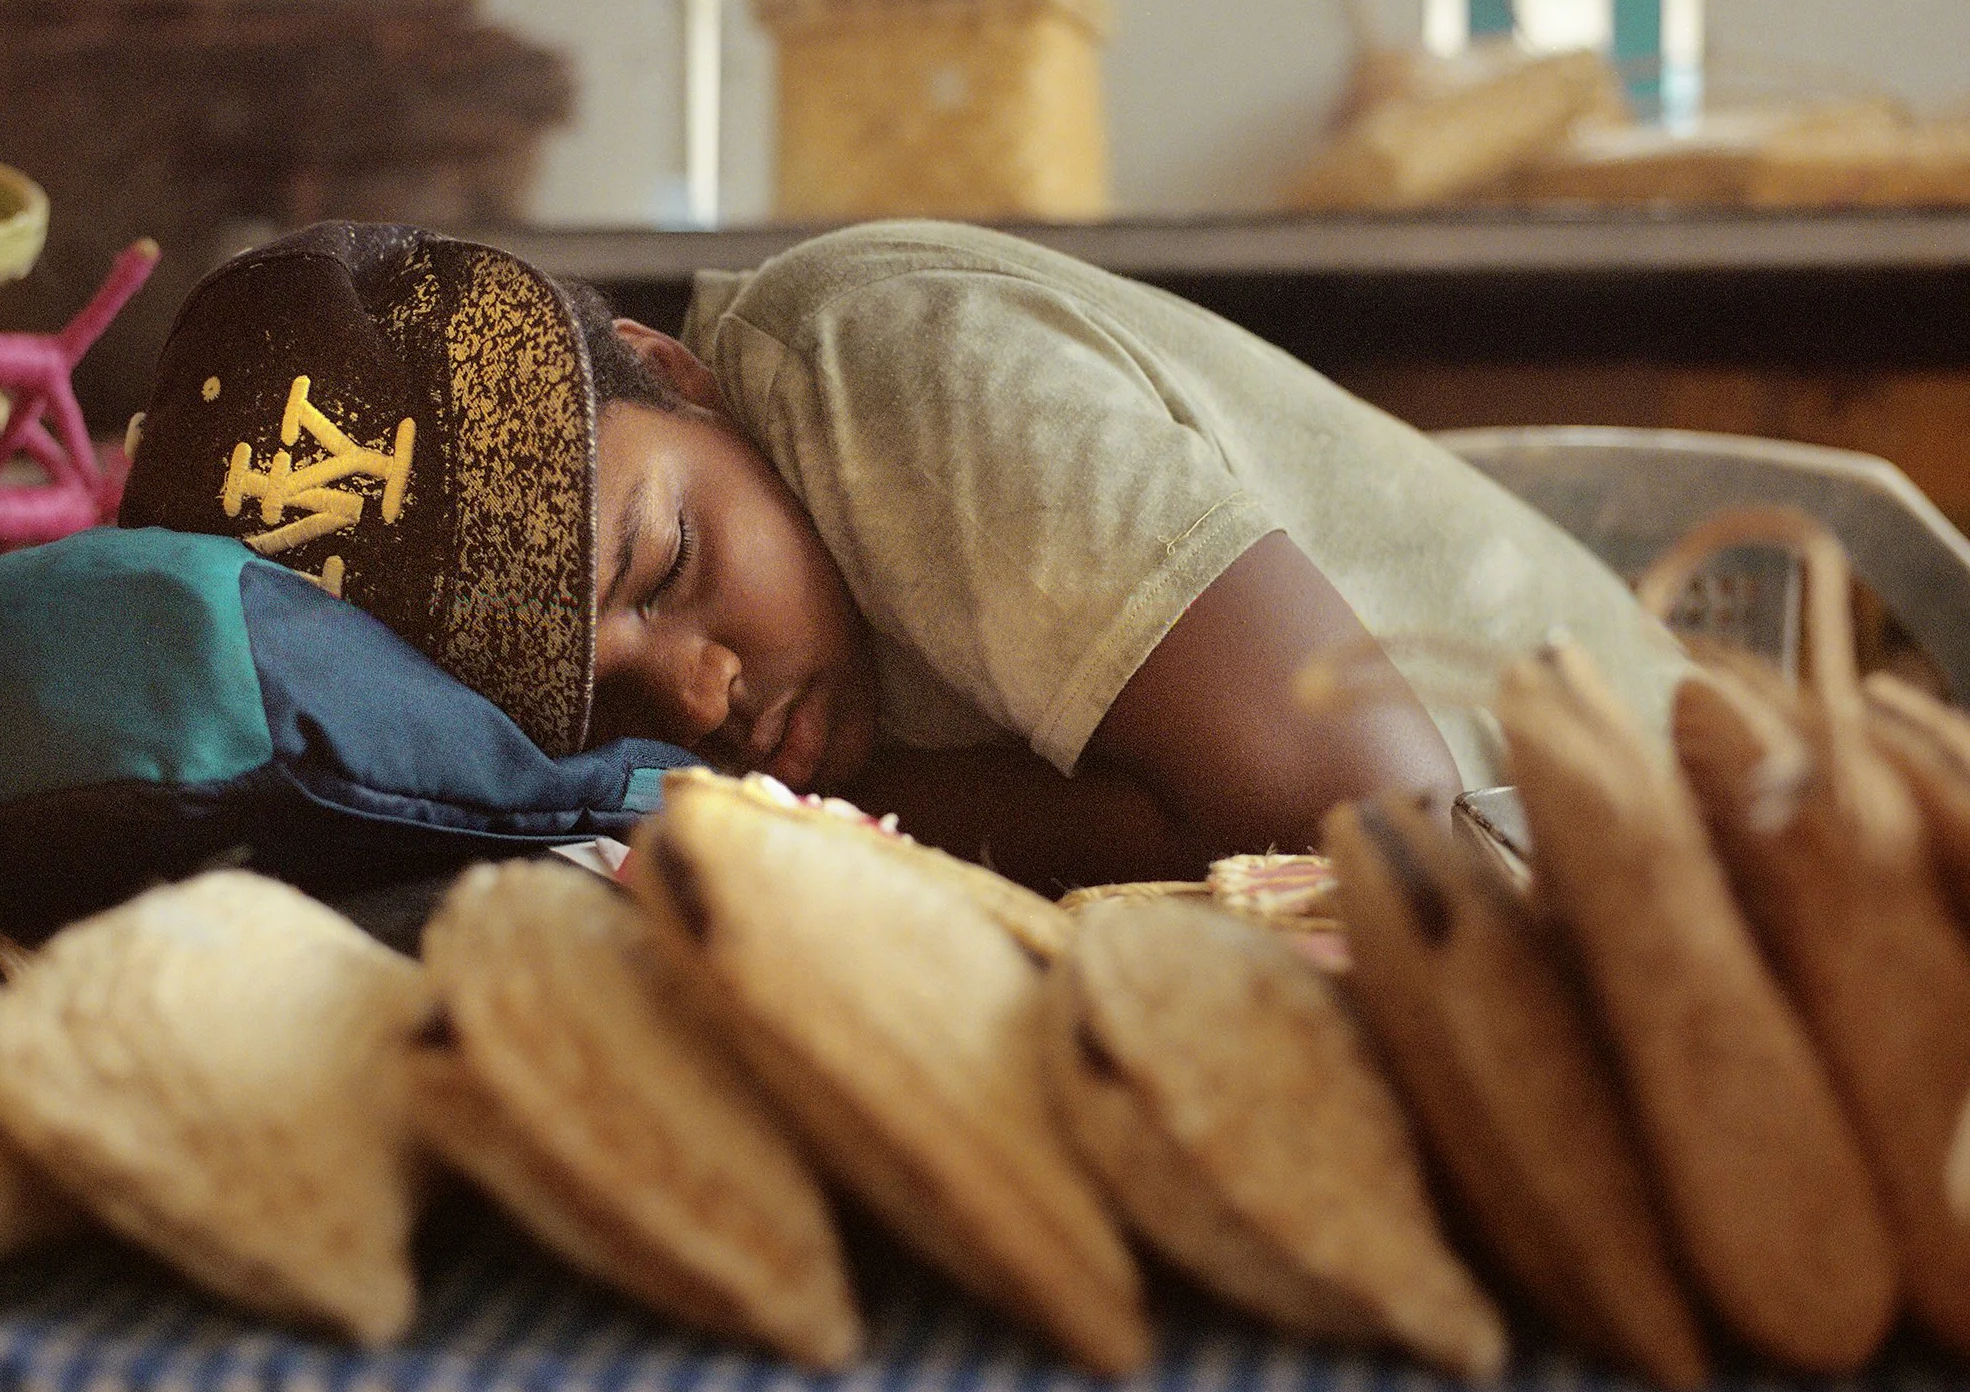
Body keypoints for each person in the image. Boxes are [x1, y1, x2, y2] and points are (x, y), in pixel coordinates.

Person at [117, 219, 1684, 893]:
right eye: (588, 717)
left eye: (661, 568)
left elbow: (1375, 835)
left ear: (675, 369)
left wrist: (786, 818)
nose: (703, 689)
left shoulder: (895, 373)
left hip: (1692, 881)